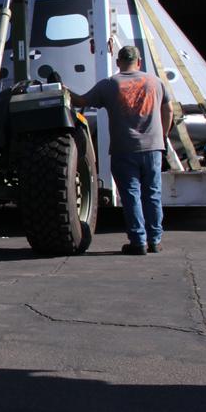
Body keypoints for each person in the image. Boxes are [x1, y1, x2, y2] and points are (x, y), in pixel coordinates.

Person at [71, 45, 173, 255]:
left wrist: (63, 89)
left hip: (123, 149)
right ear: (139, 61)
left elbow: (81, 101)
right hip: (153, 147)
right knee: (153, 193)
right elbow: (168, 109)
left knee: (131, 195)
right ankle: (155, 240)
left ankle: (138, 241)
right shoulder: (155, 82)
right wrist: (162, 134)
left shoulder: (109, 84)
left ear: (118, 63)